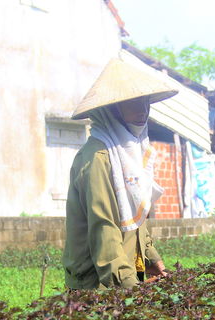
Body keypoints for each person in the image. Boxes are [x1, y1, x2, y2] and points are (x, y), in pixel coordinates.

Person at [62, 58, 179, 290]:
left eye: (145, 101)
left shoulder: (127, 154)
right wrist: (129, 287)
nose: (143, 110)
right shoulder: (98, 158)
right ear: (112, 109)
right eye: (134, 102)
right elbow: (103, 227)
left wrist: (152, 259)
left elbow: (134, 217)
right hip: (98, 284)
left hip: (126, 273)